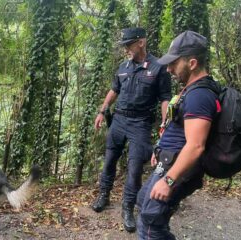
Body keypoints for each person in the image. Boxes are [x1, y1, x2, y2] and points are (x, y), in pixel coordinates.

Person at [136, 31, 220, 239]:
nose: (169, 68)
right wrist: (160, 149)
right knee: (143, 204)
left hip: (178, 169)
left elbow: (196, 146)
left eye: (174, 63)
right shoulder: (191, 90)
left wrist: (169, 181)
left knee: (151, 222)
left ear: (192, 63)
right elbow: (177, 128)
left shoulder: (200, 95)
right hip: (169, 161)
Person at [92, 27, 171, 233]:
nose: (126, 49)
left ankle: (127, 207)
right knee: (109, 160)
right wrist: (102, 111)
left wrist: (164, 124)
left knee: (135, 168)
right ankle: (104, 195)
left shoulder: (158, 67)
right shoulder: (123, 67)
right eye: (125, 45)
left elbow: (165, 98)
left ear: (141, 43)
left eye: (129, 45)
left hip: (141, 124)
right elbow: (114, 90)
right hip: (118, 120)